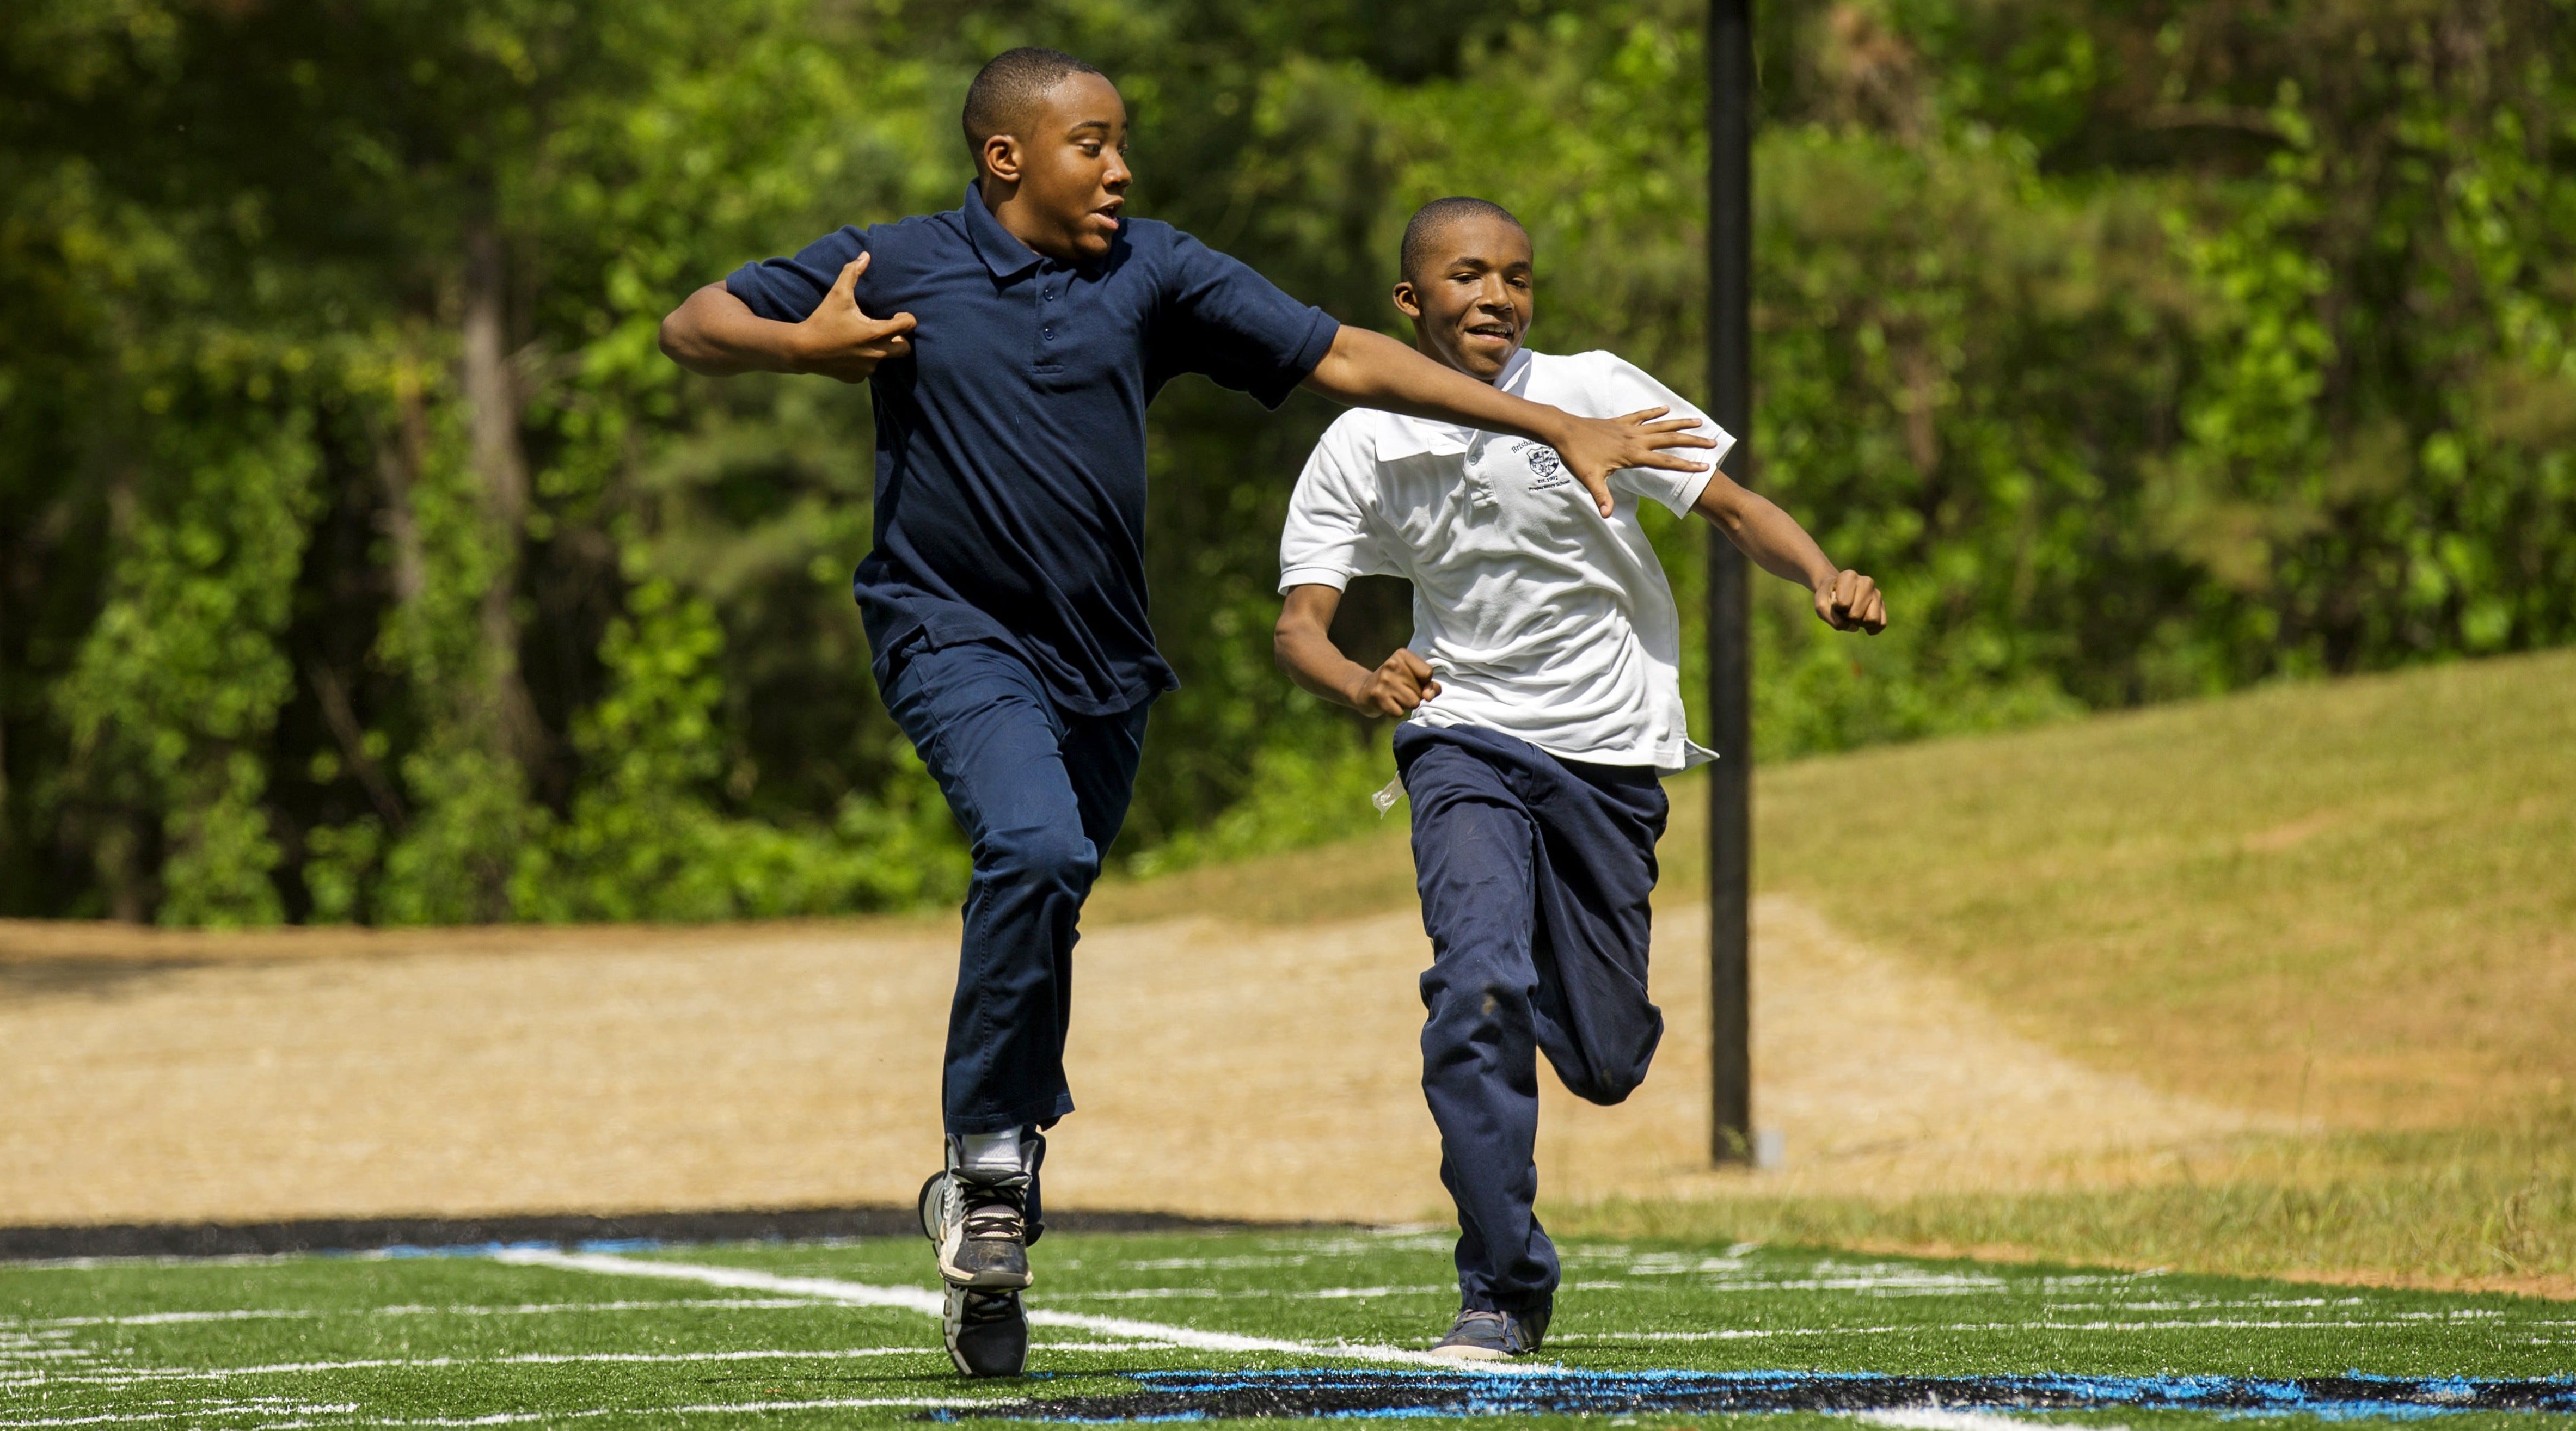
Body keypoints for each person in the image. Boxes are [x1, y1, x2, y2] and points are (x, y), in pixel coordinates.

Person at [656, 52, 1716, 1377]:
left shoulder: (1148, 268)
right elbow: (693, 321)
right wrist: (802, 344)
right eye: (1092, 146)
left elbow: (1343, 352)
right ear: (1007, 159)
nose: (1121, 170)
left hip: (1104, 661)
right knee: (1034, 850)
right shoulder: (900, 261)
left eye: (1121, 146)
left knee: (1058, 883)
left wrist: (1537, 420)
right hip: (949, 633)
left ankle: (993, 1190)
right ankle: (988, 1169)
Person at [1271, 196, 1887, 1360]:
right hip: (1465, 744)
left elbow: (1734, 507)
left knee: (1604, 1062)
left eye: (1516, 276)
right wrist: (1361, 685)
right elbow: (1298, 626)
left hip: (1609, 756)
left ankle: (1533, 993)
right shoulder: (1362, 440)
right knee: (1476, 990)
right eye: (1465, 276)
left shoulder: (1598, 387)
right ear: (1410, 303)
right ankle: (1500, 1286)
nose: (1496, 296)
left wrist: (1818, 570)